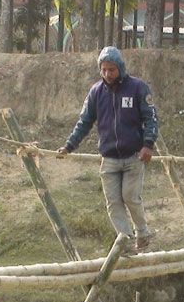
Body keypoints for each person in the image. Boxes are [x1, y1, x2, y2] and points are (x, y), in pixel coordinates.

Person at [57, 46, 159, 253]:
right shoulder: (96, 93)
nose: (107, 74)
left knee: (130, 196)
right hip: (109, 158)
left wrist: (148, 145)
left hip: (134, 156)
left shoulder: (138, 88)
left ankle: (143, 233)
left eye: (111, 70)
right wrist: (69, 146)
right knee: (113, 202)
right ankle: (126, 242)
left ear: (120, 68)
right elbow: (84, 122)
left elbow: (151, 118)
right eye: (103, 70)